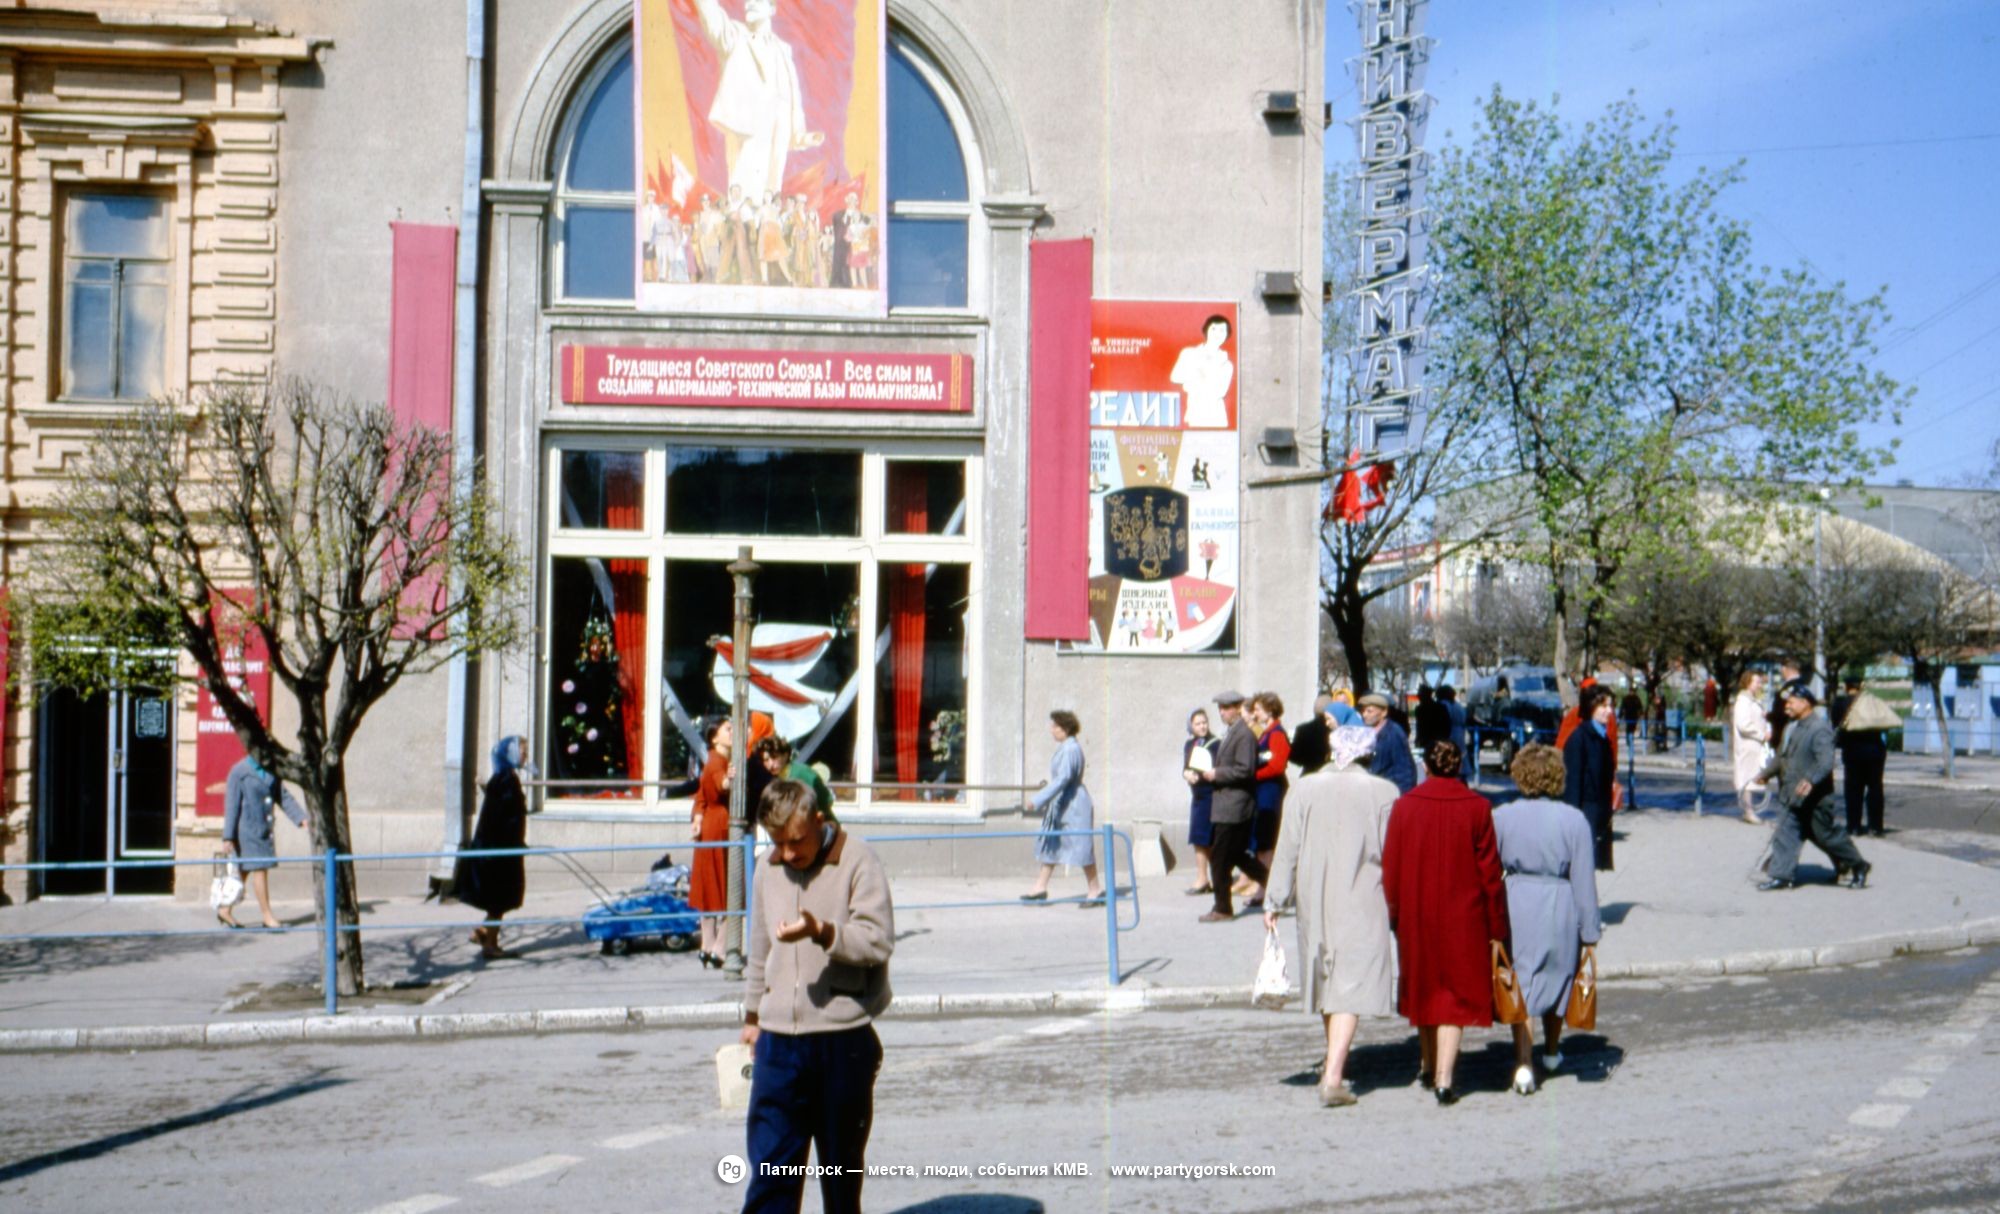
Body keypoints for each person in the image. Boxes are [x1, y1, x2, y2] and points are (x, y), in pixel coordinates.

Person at [739, 779, 894, 1214]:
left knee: (840, 1176)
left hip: (841, 1040)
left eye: (796, 840)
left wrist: (823, 932)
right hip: (777, 1045)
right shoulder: (768, 867)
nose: (788, 854)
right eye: (777, 842)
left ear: (819, 821)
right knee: (772, 1172)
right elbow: (759, 947)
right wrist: (753, 1015)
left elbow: (877, 940)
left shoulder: (858, 859)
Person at [1263, 725, 1399, 1107]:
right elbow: (1393, 851)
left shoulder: (1304, 788)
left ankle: (1333, 1063)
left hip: (1314, 893)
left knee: (1328, 978)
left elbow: (1286, 847)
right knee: (1350, 982)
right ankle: (1334, 1075)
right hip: (1364, 893)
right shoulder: (1385, 792)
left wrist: (1274, 900)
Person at [1381, 740, 1509, 1106]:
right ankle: (1444, 1077)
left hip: (1416, 912)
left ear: (1427, 766)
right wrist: (1496, 925)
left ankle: (1426, 1062)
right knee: (1453, 995)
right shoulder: (1478, 808)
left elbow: (1391, 868)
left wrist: (1394, 914)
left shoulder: (1405, 807)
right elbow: (1490, 875)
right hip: (1464, 916)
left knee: (1423, 988)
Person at [1492, 744, 1601, 1096]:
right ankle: (1552, 1051)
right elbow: (1584, 878)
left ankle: (1524, 1061)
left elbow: (1491, 868)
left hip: (1517, 899)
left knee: (1521, 981)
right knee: (1559, 973)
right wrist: (1590, 929)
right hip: (1560, 898)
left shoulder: (1502, 816)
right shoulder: (1574, 820)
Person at [691, 0, 824, 208]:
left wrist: (800, 135)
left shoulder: (783, 49)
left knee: (771, 193)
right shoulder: (737, 36)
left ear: (772, 9)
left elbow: (792, 94)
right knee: (746, 190)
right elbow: (714, 20)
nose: (749, 4)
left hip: (779, 123)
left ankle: (768, 232)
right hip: (750, 124)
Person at [1758, 683, 1871, 891]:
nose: (1787, 707)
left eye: (1791, 703)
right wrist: (1765, 774)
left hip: (1815, 798)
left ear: (1805, 703)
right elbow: (1783, 757)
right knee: (1785, 833)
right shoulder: (1793, 727)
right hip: (1791, 794)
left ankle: (1858, 865)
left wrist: (1810, 780)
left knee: (1826, 836)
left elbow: (1825, 762)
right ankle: (1781, 876)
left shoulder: (1819, 729)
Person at [453, 735, 530, 960]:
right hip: (500, 852)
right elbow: (505, 818)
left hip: (497, 848)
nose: (525, 756)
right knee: (499, 900)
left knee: (498, 900)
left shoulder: (502, 777)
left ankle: (483, 932)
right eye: (523, 751)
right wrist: (514, 844)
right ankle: (491, 946)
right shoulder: (507, 780)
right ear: (511, 753)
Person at [1197, 690, 1268, 922]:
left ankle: (1223, 908)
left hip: (1235, 806)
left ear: (1238, 707)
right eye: (1220, 708)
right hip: (1227, 804)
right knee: (1237, 855)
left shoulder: (1244, 735)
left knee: (1219, 858)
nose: (1222, 712)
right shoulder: (1232, 732)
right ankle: (1276, 886)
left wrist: (1217, 773)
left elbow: (1245, 769)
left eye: (1226, 707)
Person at [1021, 711, 1103, 905]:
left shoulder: (1070, 749)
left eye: (1055, 726)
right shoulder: (1066, 747)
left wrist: (1038, 799)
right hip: (1062, 803)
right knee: (1051, 842)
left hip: (1074, 804)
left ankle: (1095, 889)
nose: (1052, 730)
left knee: (1082, 846)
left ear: (1065, 729)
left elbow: (1063, 779)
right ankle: (1040, 887)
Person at [219, 754, 306, 930]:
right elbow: (232, 805)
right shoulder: (239, 772)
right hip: (247, 831)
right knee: (260, 869)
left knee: (243, 872)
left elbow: (283, 796)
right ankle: (267, 916)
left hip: (264, 829)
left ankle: (224, 909)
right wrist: (228, 836)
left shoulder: (271, 769)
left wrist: (301, 818)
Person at [690, 716, 734, 968]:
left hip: (710, 827)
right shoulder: (718, 761)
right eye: (728, 729)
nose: (733, 733)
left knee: (710, 890)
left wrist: (697, 817)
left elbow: (701, 794)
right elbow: (721, 784)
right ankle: (719, 948)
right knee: (732, 891)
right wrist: (731, 779)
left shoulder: (714, 760)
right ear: (715, 737)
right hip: (720, 828)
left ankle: (708, 945)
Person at [1563, 686, 1618, 872]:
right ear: (1591, 706)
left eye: (1610, 706)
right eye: (1604, 706)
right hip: (1585, 814)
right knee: (1582, 867)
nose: (1609, 711)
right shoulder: (1579, 739)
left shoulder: (1602, 738)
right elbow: (1573, 785)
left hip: (1599, 813)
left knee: (1590, 867)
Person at [1245, 692, 1291, 910]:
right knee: (1262, 844)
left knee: (1267, 843)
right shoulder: (1267, 733)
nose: (1255, 713)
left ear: (1270, 710)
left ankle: (1267, 889)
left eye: (1258, 709)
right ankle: (1263, 887)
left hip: (1271, 793)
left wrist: (1253, 775)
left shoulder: (1276, 734)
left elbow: (1277, 766)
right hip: (1263, 792)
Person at [1832, 677, 1888, 837]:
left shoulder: (1841, 703)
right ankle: (1876, 827)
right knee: (1875, 787)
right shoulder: (1873, 702)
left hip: (1852, 750)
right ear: (1861, 687)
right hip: (1875, 749)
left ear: (1846, 687)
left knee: (1853, 788)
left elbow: (1836, 725)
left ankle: (1854, 826)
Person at [1170, 313, 1235, 428]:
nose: (1217, 334)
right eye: (1214, 329)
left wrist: (1193, 380)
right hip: (1195, 412)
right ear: (1206, 330)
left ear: (1227, 335)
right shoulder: (1189, 353)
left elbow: (1219, 392)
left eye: (1222, 330)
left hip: (1216, 416)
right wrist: (1199, 376)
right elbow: (1176, 377)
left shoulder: (1227, 364)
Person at [754, 733, 836, 822]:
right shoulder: (776, 778)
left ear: (785, 755)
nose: (770, 764)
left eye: (774, 757)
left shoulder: (800, 772)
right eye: (766, 760)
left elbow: (826, 799)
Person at [1181, 708, 1219, 896]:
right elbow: (1186, 767)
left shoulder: (1216, 743)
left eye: (1204, 722)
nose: (1202, 726)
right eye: (1198, 723)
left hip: (1210, 795)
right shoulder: (1190, 744)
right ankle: (1203, 877)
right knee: (1198, 838)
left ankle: (1211, 878)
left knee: (1207, 838)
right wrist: (1187, 774)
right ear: (1191, 726)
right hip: (1197, 796)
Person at [1731, 670, 1773, 825]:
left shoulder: (1752, 700)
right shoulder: (1743, 701)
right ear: (1748, 682)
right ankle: (1748, 811)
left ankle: (1749, 810)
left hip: (1753, 746)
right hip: (1747, 745)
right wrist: (1761, 734)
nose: (1759, 685)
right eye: (1757, 682)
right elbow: (1744, 724)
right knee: (1747, 779)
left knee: (1751, 777)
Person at [1357, 693, 1416, 794]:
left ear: (1384, 712)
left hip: (1390, 791)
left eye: (1369, 711)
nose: (1364, 715)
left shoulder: (1393, 733)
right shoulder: (1367, 732)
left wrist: (1402, 797)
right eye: (1363, 711)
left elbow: (1404, 770)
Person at [1289, 693, 1335, 777]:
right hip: (1330, 776)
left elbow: (1294, 757)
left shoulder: (1303, 729)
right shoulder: (1335, 731)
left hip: (1309, 774)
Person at [1413, 684, 1451, 751]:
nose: (1419, 697)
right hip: (1433, 741)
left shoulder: (1420, 709)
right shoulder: (1441, 707)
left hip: (1432, 741)